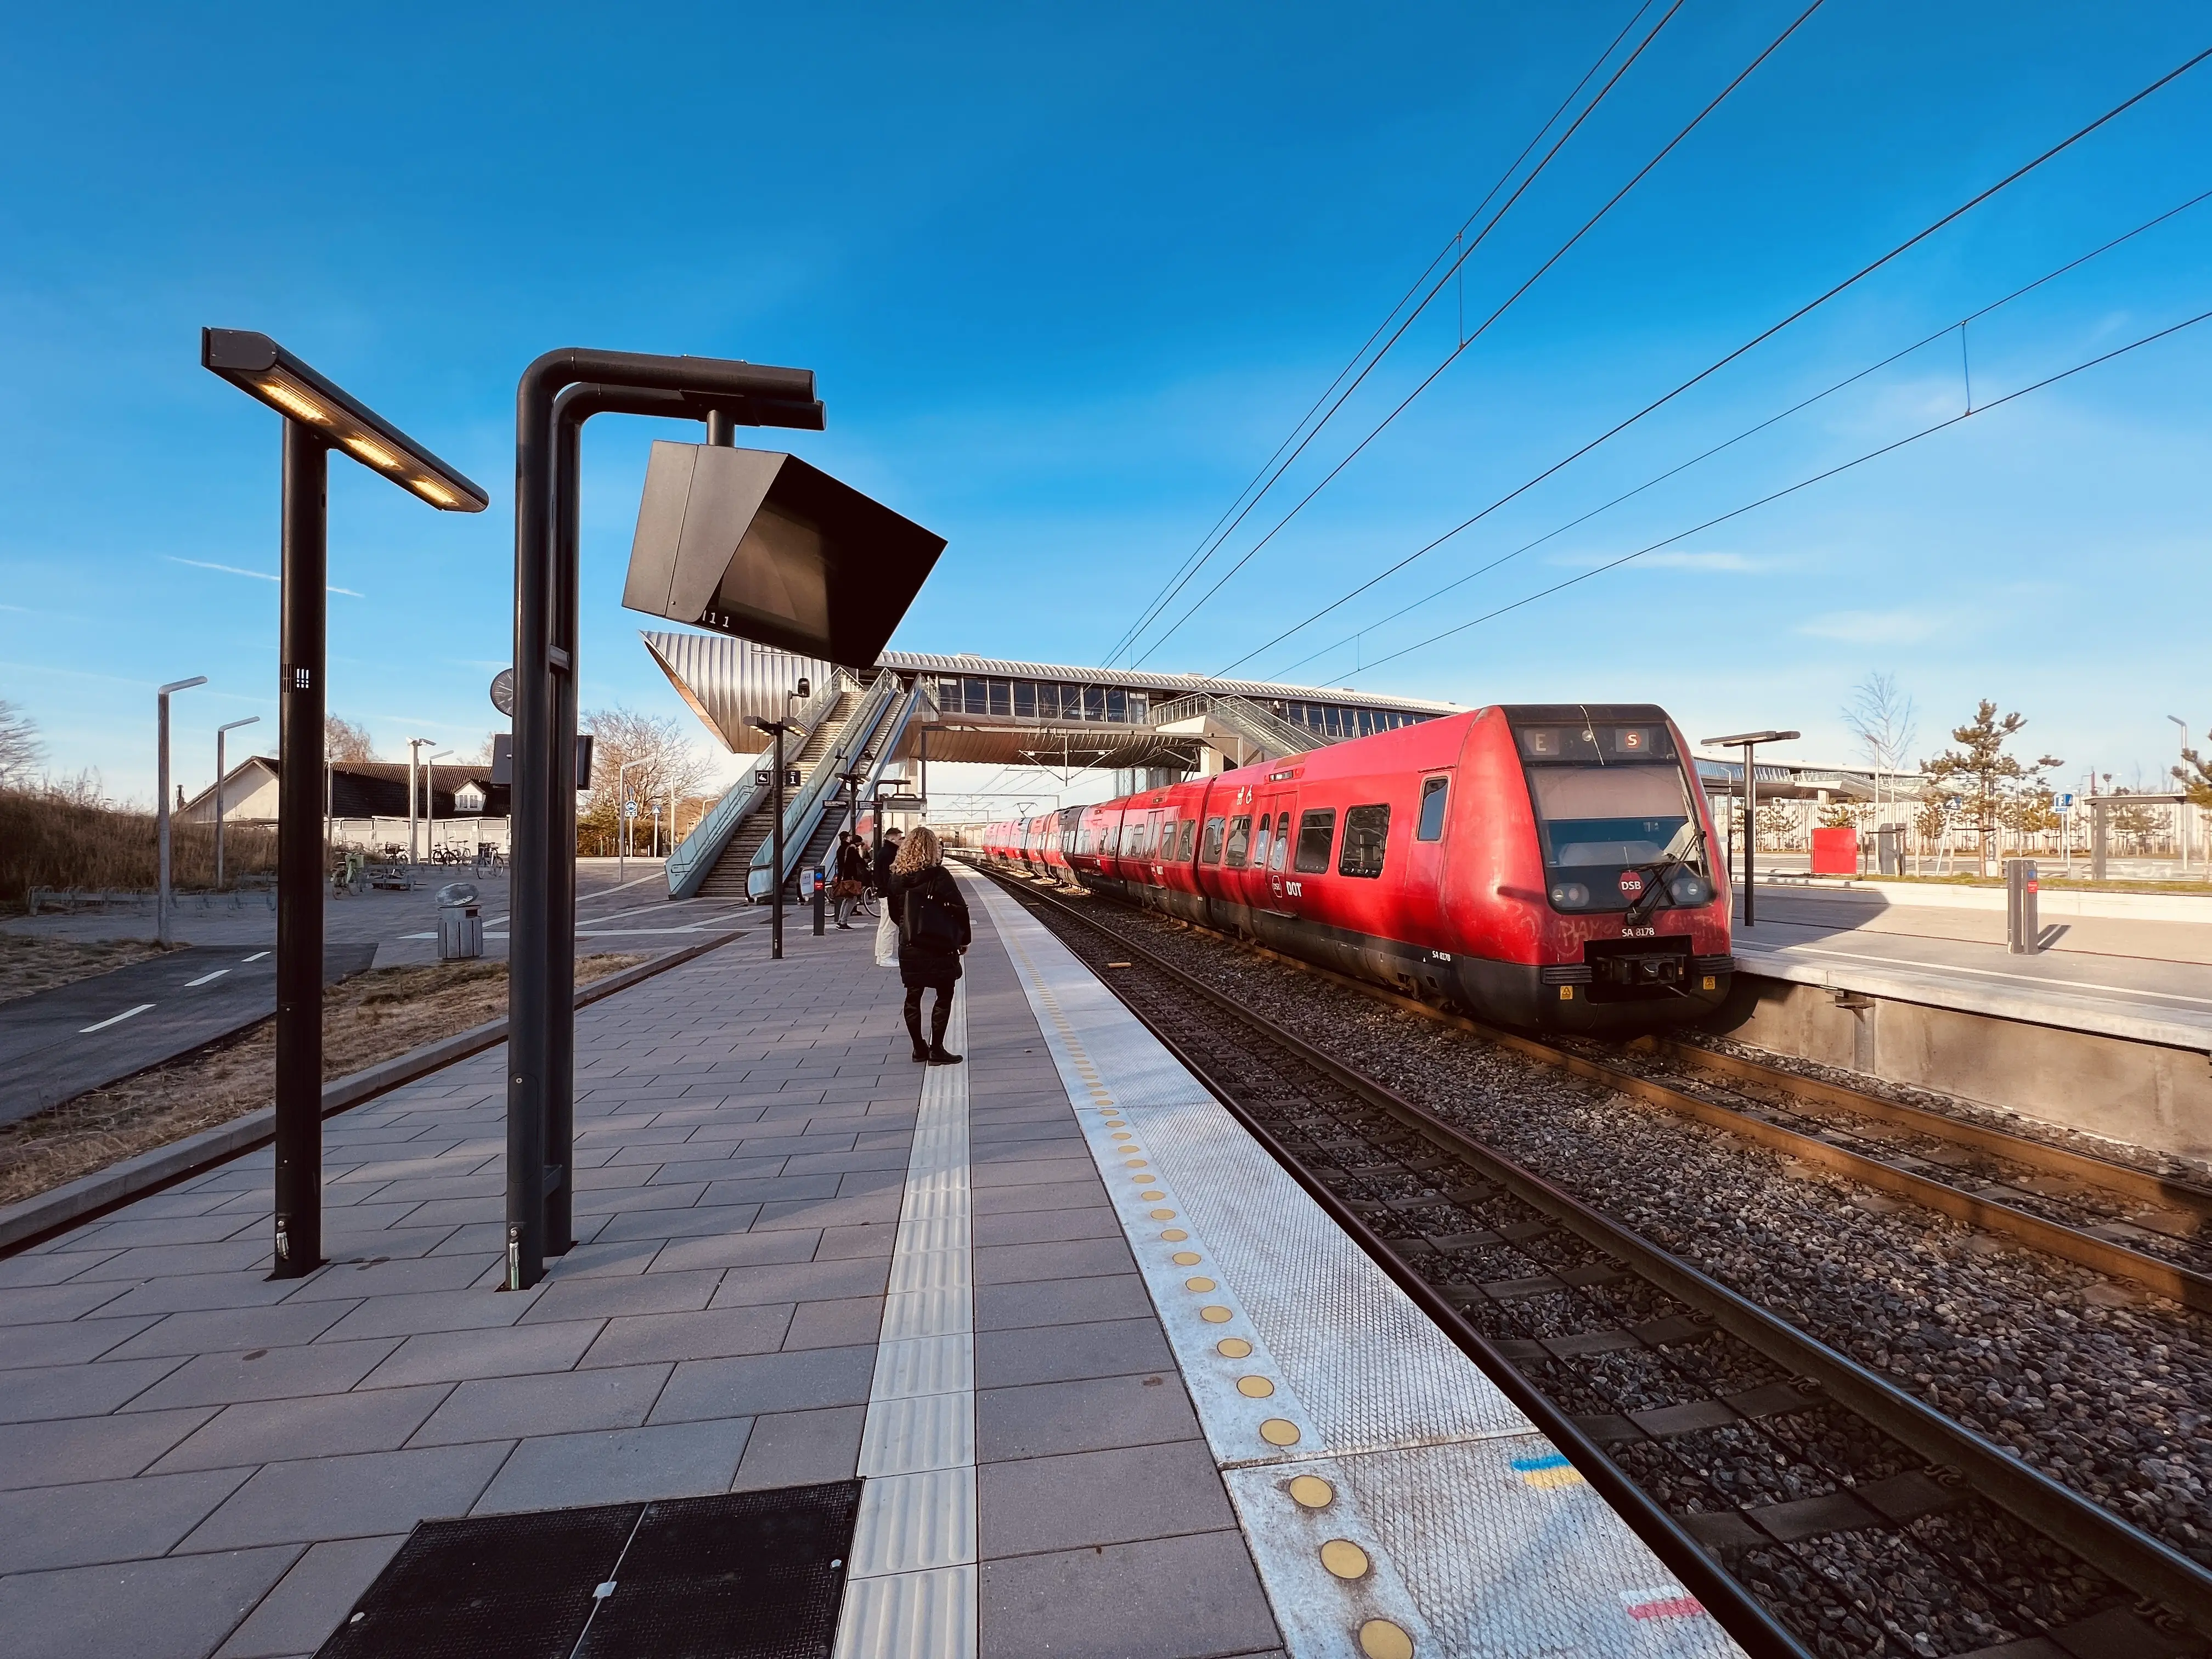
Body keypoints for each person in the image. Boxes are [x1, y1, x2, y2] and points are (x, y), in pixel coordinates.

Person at [886, 826, 969, 1065]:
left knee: (913, 996)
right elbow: (959, 909)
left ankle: (918, 1049)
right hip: (939, 944)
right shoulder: (939, 875)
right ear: (933, 849)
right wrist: (964, 939)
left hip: (910, 944)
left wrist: (909, 930)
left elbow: (894, 913)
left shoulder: (896, 877)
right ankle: (937, 1049)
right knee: (944, 995)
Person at [872, 826, 905, 969]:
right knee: (889, 927)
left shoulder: (884, 851)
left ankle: (880, 955)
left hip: (883, 893)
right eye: (899, 838)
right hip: (888, 894)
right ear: (892, 838)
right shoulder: (891, 853)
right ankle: (885, 957)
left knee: (884, 926)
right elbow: (890, 877)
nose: (901, 841)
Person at [833, 831, 868, 928]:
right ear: (847, 838)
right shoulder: (851, 849)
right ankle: (843, 922)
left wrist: (839, 878)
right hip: (851, 877)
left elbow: (841, 865)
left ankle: (841, 921)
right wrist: (864, 862)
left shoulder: (840, 849)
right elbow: (858, 860)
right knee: (852, 900)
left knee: (847, 899)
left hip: (843, 877)